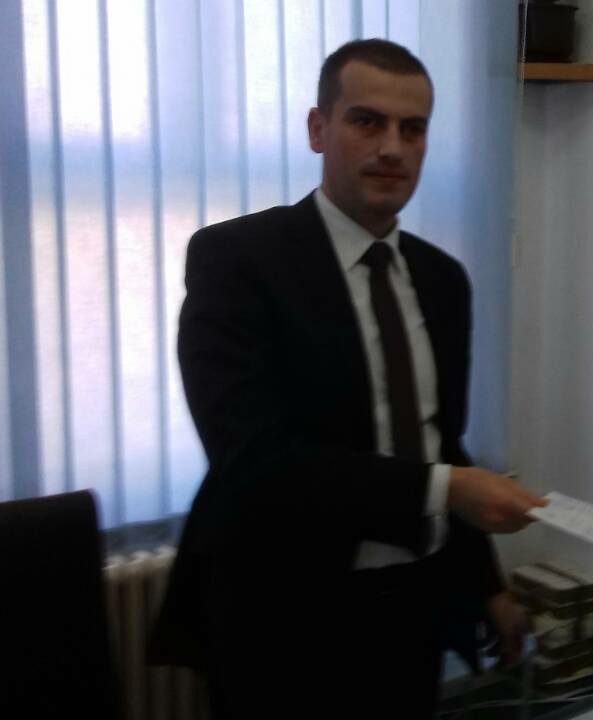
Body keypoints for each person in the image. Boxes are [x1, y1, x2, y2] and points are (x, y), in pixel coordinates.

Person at [149, 39, 547, 717]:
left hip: (412, 612)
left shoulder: (443, 280)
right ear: (318, 128)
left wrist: (489, 585)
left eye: (412, 129)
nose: (392, 147)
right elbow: (253, 459)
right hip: (281, 618)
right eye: (367, 121)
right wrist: (448, 489)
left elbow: (439, 441)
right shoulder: (237, 261)